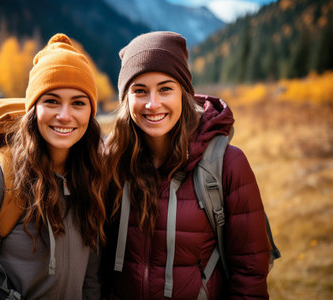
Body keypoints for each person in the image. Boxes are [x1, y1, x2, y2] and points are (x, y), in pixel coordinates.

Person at [102, 31, 270, 299]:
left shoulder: (227, 164)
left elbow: (250, 272)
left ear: (184, 93)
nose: (152, 103)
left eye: (165, 88)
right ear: (126, 99)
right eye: (140, 90)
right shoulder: (110, 162)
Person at [0, 33, 106, 299]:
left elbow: (90, 280)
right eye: (51, 100)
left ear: (90, 113)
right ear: (33, 108)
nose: (65, 115)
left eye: (78, 103)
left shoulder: (92, 179)